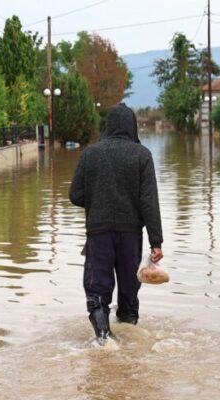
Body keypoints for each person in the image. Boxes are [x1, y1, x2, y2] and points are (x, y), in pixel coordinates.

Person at [69, 104, 164, 344]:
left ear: (108, 125)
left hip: (99, 233)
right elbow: (149, 201)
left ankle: (104, 339)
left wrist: (98, 201)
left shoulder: (90, 154)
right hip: (131, 235)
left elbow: (75, 194)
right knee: (129, 289)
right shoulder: (142, 155)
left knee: (97, 288)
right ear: (132, 126)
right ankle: (129, 337)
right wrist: (156, 241)